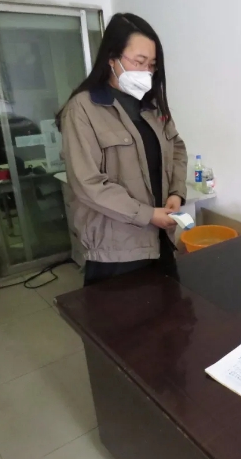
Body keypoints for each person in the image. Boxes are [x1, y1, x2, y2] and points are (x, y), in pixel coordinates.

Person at [57, 13, 187, 286]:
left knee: (171, 309)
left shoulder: (152, 106)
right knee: (122, 312)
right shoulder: (83, 109)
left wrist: (176, 192)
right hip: (116, 249)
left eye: (152, 65)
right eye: (139, 62)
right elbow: (88, 183)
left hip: (161, 240)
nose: (146, 72)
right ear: (112, 58)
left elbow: (176, 148)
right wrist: (148, 215)